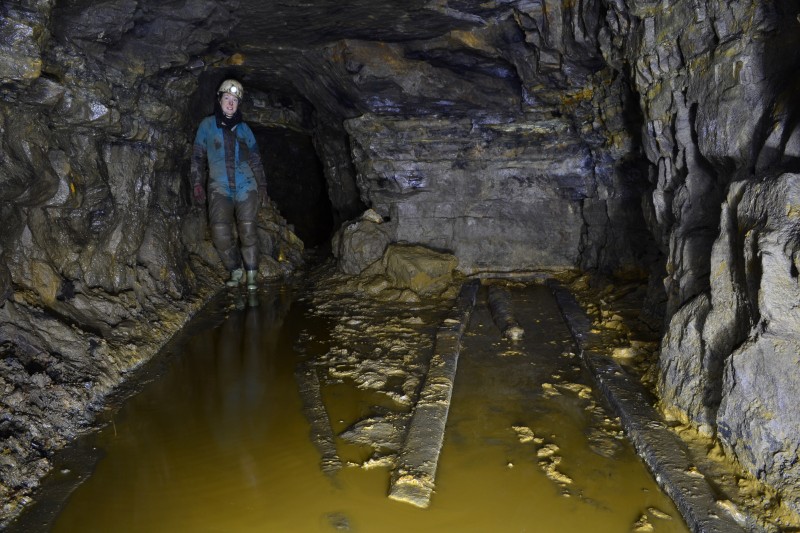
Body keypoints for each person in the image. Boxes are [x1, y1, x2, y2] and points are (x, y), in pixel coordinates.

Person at [190, 79, 268, 291]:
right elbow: (198, 156)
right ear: (220, 100)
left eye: (234, 100)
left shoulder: (244, 129)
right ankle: (235, 269)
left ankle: (251, 273)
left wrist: (262, 185)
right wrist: (196, 183)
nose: (231, 103)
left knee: (248, 228)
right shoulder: (207, 126)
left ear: (238, 103)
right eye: (227, 98)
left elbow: (255, 159)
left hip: (246, 184)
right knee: (219, 231)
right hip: (219, 186)